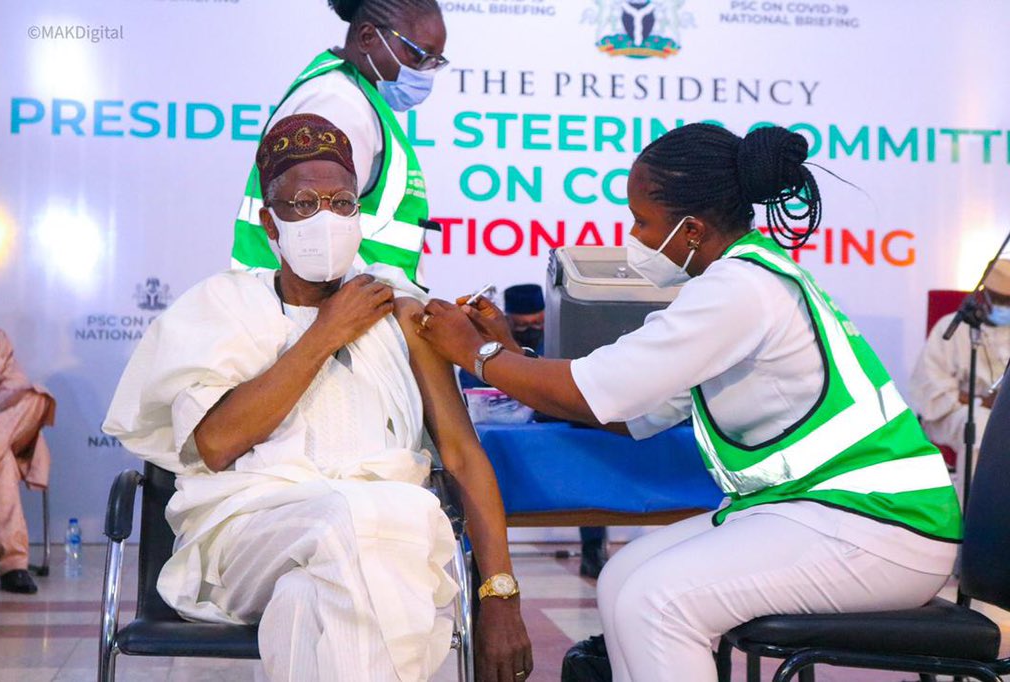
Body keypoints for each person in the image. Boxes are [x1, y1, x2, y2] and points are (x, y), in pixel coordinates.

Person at [413, 123, 962, 681]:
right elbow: (625, 411)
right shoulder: (746, 280)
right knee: (622, 577)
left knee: (656, 600)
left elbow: (592, 389)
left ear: (692, 229)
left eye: (642, 222)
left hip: (881, 526)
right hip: (823, 512)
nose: (634, 236)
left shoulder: (739, 289)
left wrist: (476, 353)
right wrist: (511, 356)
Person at [105, 114, 531, 682]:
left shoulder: (403, 314)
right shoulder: (222, 305)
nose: (326, 219)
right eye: (304, 204)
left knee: (308, 602)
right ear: (270, 222)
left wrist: (500, 594)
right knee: (371, 514)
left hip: (382, 545)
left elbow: (461, 454)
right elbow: (216, 444)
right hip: (248, 534)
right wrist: (325, 333)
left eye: (342, 203)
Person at [232, 0, 447, 289]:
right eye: (419, 55)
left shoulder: (357, 97)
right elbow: (317, 239)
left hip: (336, 304)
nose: (425, 72)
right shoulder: (337, 103)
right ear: (367, 37)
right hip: (317, 308)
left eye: (435, 62)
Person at [463, 284, 610, 579]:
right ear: (508, 320)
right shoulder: (486, 346)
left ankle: (593, 548)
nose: (531, 329)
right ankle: (484, 562)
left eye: (537, 323)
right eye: (522, 325)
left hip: (561, 428)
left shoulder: (560, 343)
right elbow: (472, 385)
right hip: (508, 435)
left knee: (589, 470)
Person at [909, 260, 1010, 477]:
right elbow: (932, 388)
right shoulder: (951, 327)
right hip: (952, 414)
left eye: (1009, 302)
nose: (1005, 308)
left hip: (1004, 414)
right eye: (999, 300)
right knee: (980, 426)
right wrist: (981, 402)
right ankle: (976, 499)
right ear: (983, 294)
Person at [0, 328, 54, 594]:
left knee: (35, 397)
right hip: (0, 449)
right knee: (0, 465)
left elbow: (14, 389)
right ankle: (13, 567)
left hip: (2, 425)